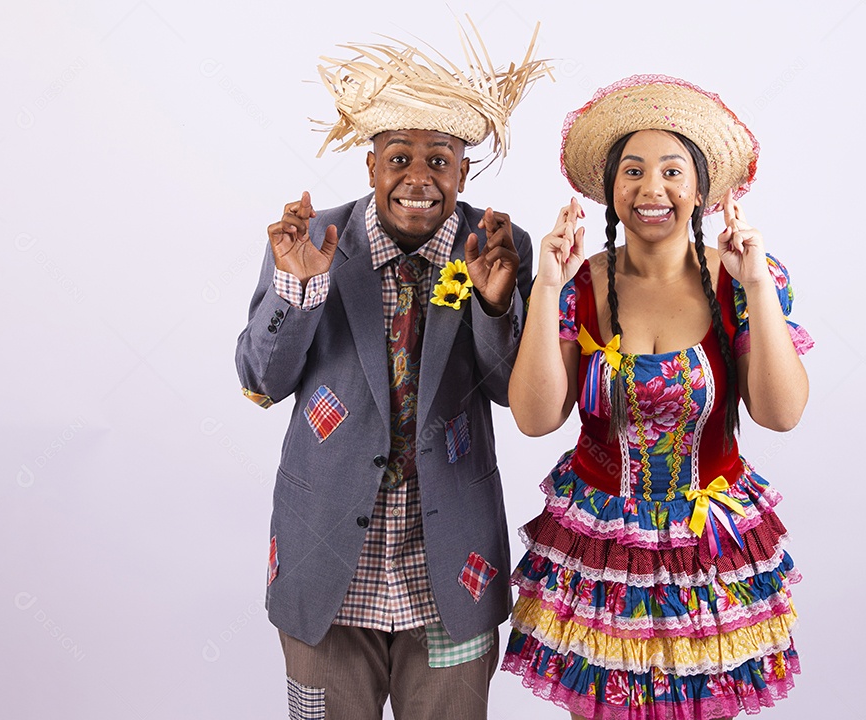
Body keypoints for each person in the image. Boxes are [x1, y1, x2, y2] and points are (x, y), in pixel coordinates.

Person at [235, 22, 548, 720]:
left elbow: (510, 396)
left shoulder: (495, 246)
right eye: (399, 157)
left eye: (439, 160)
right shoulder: (313, 241)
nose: (418, 178)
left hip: (451, 568)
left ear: (465, 172)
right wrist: (298, 292)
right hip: (326, 570)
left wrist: (496, 304)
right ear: (372, 165)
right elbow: (260, 382)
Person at [502, 74, 814, 719]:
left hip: (709, 549)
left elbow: (780, 415)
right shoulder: (575, 285)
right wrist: (544, 289)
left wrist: (755, 287)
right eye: (633, 171)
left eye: (672, 171)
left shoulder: (740, 279)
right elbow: (535, 420)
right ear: (612, 190)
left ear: (700, 189)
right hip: (602, 545)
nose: (652, 189)